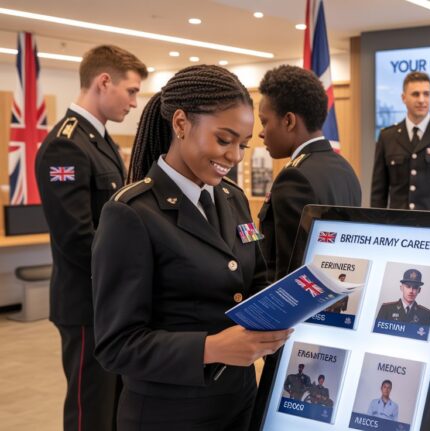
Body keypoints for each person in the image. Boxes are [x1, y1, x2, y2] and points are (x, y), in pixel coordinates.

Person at [91, 64, 292, 430]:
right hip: (170, 414)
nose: (234, 157)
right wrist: (211, 348)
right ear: (181, 123)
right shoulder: (131, 214)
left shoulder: (232, 198)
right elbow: (116, 345)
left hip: (239, 401)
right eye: (224, 139)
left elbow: (255, 279)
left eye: (243, 145)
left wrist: (295, 301)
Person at [34, 44, 147, 431]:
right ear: (104, 82)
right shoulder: (67, 143)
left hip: (109, 300)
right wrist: (130, 275)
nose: (134, 102)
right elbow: (78, 237)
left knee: (114, 407)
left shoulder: (99, 140)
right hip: (86, 303)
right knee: (90, 411)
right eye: (131, 91)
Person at [257, 65, 362, 282]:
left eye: (264, 121)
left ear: (288, 121)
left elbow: (290, 272)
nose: (261, 132)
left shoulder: (294, 178)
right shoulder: (345, 168)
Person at [370, 71, 430, 211]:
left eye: (426, 94)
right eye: (415, 94)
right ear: (404, 98)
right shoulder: (388, 136)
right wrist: (378, 222)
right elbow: (378, 191)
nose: (422, 100)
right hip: (399, 224)